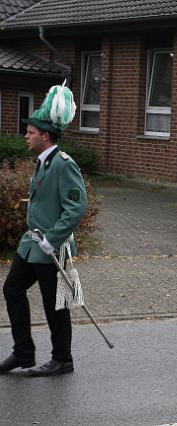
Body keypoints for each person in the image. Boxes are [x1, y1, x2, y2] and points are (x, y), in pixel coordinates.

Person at [1, 83, 88, 376]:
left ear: (45, 136)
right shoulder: (43, 163)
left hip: (52, 247)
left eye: (31, 132)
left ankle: (63, 359)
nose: (26, 135)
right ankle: (23, 352)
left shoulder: (63, 164)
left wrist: (52, 238)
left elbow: (76, 206)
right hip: (32, 245)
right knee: (12, 289)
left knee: (56, 304)